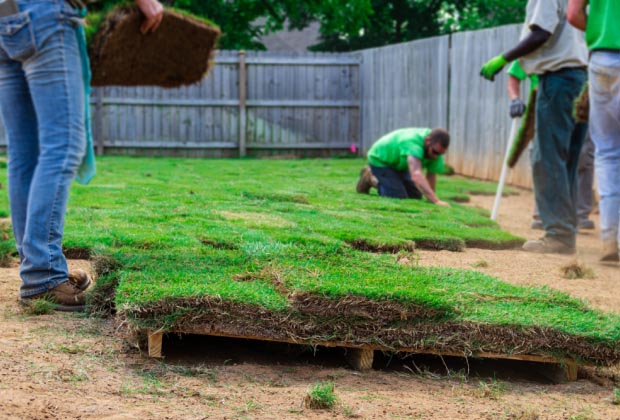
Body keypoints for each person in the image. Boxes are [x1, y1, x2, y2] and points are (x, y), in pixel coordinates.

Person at [0, 0, 164, 311]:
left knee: (26, 153)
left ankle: (37, 269)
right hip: (43, 15)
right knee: (63, 146)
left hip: (6, 18)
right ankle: (43, 276)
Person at [480, 0, 588, 254]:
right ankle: (565, 232)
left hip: (558, 79)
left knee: (547, 157)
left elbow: (542, 32)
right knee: (567, 160)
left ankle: (559, 235)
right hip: (580, 78)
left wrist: (504, 57)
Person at [507, 60, 596, 231]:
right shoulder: (537, 46)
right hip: (545, 106)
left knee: (583, 159)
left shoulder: (580, 45)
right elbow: (514, 75)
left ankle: (579, 214)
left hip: (580, 105)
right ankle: (543, 214)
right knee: (544, 160)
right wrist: (515, 99)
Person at [568, 0, 620, 262]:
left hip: (602, 60)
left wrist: (600, 31)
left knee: (608, 152)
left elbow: (573, 14)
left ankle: (611, 239)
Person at [356, 128, 451, 207]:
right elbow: (416, 174)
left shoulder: (435, 149)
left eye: (440, 154)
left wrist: (431, 198)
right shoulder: (412, 143)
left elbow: (431, 174)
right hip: (381, 159)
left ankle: (392, 180)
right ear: (427, 141)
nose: (436, 157)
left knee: (416, 196)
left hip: (400, 164)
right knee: (397, 196)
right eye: (435, 152)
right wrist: (436, 201)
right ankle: (369, 177)